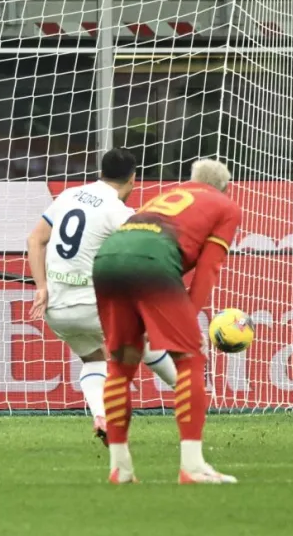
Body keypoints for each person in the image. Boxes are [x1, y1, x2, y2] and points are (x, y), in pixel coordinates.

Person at [92, 158, 241, 485]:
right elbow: (207, 270)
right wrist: (189, 315)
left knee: (121, 363)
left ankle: (121, 468)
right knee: (189, 358)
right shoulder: (225, 206)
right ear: (224, 187)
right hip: (153, 261)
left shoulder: (165, 197)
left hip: (107, 259)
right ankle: (192, 466)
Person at [26, 148, 177, 444]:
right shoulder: (119, 212)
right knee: (143, 339)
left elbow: (35, 239)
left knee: (93, 359)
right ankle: (185, 390)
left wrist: (41, 286)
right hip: (92, 305)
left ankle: (101, 415)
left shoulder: (69, 195)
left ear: (101, 172)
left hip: (56, 308)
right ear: (132, 179)